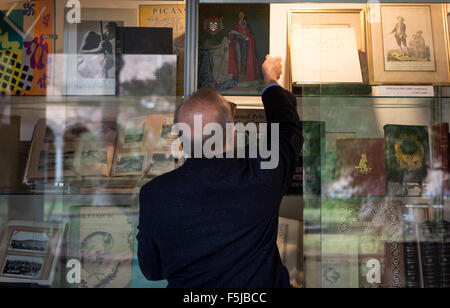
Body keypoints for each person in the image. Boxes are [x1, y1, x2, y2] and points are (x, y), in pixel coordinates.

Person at [137, 56, 303, 288]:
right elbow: (288, 129)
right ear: (232, 133)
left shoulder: (154, 194)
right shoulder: (262, 173)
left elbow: (152, 270)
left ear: (181, 139)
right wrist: (270, 80)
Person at [227, 11, 260, 82]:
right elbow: (231, 34)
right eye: (240, 16)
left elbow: (250, 35)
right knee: (239, 58)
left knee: (245, 59)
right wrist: (230, 39)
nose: (242, 17)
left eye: (243, 16)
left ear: (245, 17)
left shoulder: (247, 26)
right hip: (237, 43)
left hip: (245, 43)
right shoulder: (236, 26)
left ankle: (244, 74)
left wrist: (248, 37)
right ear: (239, 17)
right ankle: (239, 75)